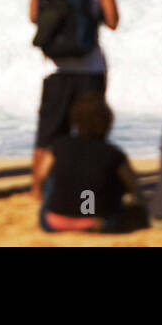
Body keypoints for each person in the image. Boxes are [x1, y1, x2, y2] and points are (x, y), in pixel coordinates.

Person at [29, 0, 118, 199]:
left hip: (54, 68)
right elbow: (113, 21)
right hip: (89, 67)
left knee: (49, 132)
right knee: (90, 131)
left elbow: (34, 16)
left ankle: (37, 190)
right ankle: (86, 190)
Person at [35, 92, 146, 233]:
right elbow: (134, 187)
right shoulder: (113, 153)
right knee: (110, 179)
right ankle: (89, 211)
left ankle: (72, 208)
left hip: (53, 222)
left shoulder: (59, 146)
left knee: (53, 177)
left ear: (75, 120)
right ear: (107, 122)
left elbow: (41, 175)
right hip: (97, 224)